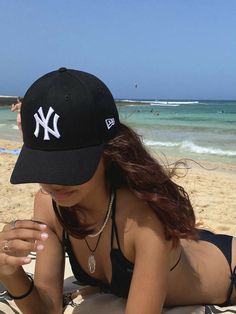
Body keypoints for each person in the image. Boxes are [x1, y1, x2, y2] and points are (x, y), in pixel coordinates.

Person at [0, 67, 235, 314]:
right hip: (188, 248)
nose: (54, 182)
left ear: (109, 151)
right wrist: (10, 272)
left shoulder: (143, 220)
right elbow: (47, 310)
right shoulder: (48, 205)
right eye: (45, 165)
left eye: (69, 166)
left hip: (226, 271)